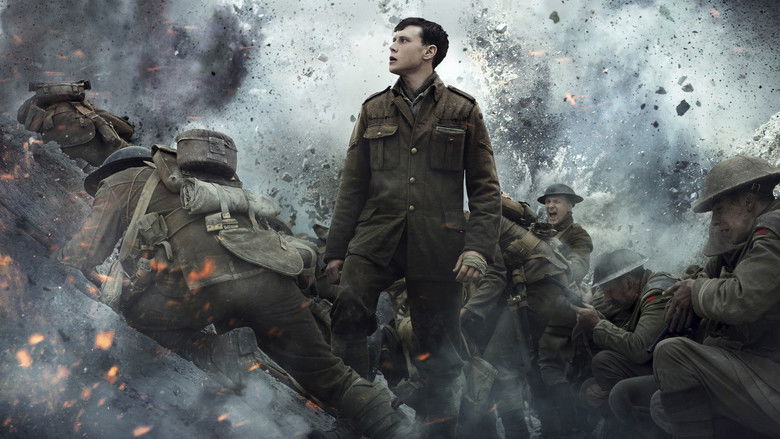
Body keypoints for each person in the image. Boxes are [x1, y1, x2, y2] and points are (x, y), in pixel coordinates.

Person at [59, 130, 415, 439]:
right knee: (331, 376)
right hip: (271, 277)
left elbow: (86, 251)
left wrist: (55, 261)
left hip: (203, 286)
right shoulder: (215, 186)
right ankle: (401, 431)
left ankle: (213, 351)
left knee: (135, 314)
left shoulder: (121, 180)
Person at [323, 17, 502, 437]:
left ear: (428, 51)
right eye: (392, 39)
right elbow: (352, 186)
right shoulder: (374, 109)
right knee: (347, 311)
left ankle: (438, 430)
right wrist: (335, 251)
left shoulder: (462, 109)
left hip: (437, 243)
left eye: (403, 40)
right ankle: (355, 417)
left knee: (438, 343)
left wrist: (477, 249)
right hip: (376, 237)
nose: (392, 46)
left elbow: (485, 188)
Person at [653, 155, 780, 438]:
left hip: (773, 372)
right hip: (766, 367)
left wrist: (695, 291)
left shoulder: (773, 227)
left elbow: (743, 298)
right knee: (662, 404)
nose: (716, 221)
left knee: (672, 354)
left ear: (748, 201)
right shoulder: (754, 238)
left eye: (720, 209)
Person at [573, 249, 674, 436]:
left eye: (609, 291)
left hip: (673, 372)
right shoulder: (632, 297)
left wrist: (598, 325)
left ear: (628, 283)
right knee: (601, 365)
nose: (606, 298)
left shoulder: (657, 294)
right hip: (658, 366)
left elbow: (640, 349)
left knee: (605, 363)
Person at [537, 183, 593, 284]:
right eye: (548, 202)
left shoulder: (578, 234)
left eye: (556, 202)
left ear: (569, 206)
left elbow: (578, 269)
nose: (550, 206)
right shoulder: (540, 230)